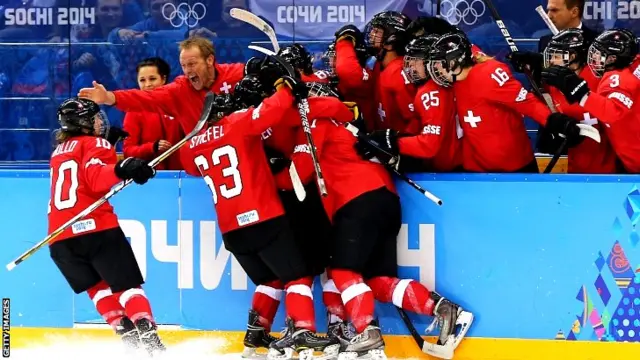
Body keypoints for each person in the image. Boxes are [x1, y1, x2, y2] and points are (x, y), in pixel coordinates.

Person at [275, 84, 474, 360]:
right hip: (387, 199)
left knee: (342, 272)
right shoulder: (347, 122)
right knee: (379, 281)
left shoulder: (316, 123)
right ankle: (445, 310)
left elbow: (298, 174)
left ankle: (367, 332)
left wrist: (267, 176)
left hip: (357, 201)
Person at [189, 74, 357, 360]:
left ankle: (255, 334)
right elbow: (272, 110)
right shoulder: (239, 123)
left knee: (270, 279)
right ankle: (302, 331)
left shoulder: (195, 144)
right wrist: (285, 88)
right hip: (262, 218)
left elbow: (193, 168)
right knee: (297, 275)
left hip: (232, 231)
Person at [48, 98, 162, 355]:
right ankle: (150, 337)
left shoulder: (58, 151)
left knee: (97, 288)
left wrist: (108, 148)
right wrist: (122, 166)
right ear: (84, 122)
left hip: (61, 239)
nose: (101, 121)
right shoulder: (96, 143)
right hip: (96, 230)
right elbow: (96, 177)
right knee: (126, 286)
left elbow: (79, 170)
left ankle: (128, 337)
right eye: (95, 117)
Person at [77, 36, 245, 176]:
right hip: (202, 169)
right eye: (184, 66)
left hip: (244, 155)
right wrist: (109, 97)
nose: (187, 70)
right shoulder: (180, 90)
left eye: (192, 64)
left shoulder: (237, 73)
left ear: (209, 60)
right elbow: (143, 98)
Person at [425, 32, 584, 173]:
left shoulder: (489, 74)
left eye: (440, 63)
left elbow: (527, 102)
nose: (436, 70)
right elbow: (468, 47)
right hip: (475, 168)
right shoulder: (454, 77)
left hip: (515, 166)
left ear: (454, 62)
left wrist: (553, 122)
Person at [542, 28, 640, 173]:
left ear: (612, 58)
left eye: (598, 54)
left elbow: (613, 113)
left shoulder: (618, 79)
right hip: (628, 163)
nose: (593, 57)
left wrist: (582, 94)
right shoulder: (619, 75)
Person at [367, 34, 462, 173]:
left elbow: (429, 145)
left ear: (432, 62)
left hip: (445, 169)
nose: (410, 64)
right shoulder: (442, 84)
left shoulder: (431, 92)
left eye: (416, 59)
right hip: (452, 162)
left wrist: (394, 143)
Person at [123, 57, 184, 170]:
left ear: (163, 79)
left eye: (152, 79)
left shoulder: (179, 104)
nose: (147, 84)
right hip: (150, 179)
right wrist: (152, 147)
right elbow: (128, 151)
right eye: (142, 80)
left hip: (184, 175)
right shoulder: (133, 111)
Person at [364, 11, 419, 133]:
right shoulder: (378, 66)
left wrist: (398, 143)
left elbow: (415, 120)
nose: (371, 34)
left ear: (392, 39)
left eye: (377, 31)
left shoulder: (400, 73)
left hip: (398, 148)